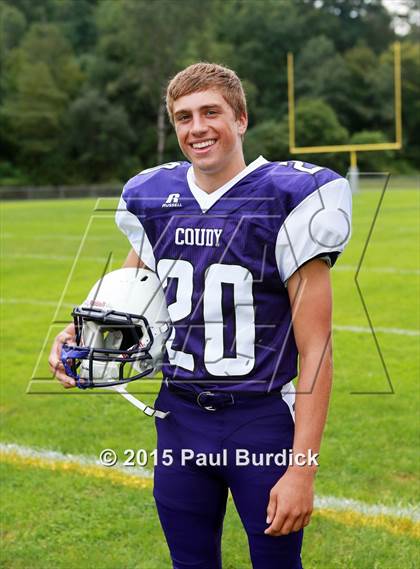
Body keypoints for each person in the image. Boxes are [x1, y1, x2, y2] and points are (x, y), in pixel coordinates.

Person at [49, 62, 352, 568]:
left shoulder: (288, 198)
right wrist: (78, 334)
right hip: (180, 417)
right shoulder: (157, 197)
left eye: (211, 112)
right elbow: (128, 298)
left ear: (241, 119)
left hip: (261, 420)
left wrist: (302, 469)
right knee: (189, 561)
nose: (197, 128)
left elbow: (317, 348)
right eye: (183, 117)